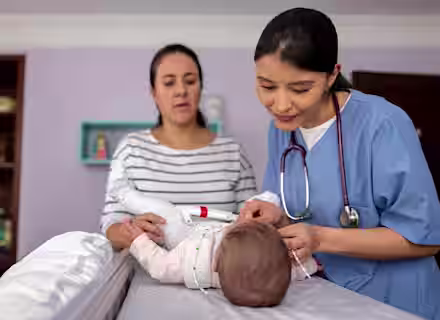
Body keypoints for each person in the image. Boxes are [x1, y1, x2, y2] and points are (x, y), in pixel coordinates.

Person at [240, 8, 440, 319]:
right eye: (267, 86)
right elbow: (292, 209)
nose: (280, 104)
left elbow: (425, 240)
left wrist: (319, 238)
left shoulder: (382, 124)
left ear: (333, 75)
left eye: (300, 89)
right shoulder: (282, 129)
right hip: (325, 299)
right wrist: (274, 216)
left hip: (397, 303)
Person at [101, 44, 257, 250]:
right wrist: (131, 232)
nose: (181, 91)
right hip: (148, 275)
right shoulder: (131, 150)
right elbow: (110, 224)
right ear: (154, 92)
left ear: (200, 88)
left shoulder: (233, 153)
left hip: (221, 274)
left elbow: (253, 225)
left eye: (190, 81)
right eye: (169, 83)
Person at [119, 198, 317, 307]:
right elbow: (300, 266)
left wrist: (138, 240)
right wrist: (312, 263)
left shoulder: (195, 262)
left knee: (164, 214)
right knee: (268, 200)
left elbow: (159, 265)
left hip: (183, 236)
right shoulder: (279, 270)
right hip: (208, 230)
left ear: (215, 262)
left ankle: (126, 196)